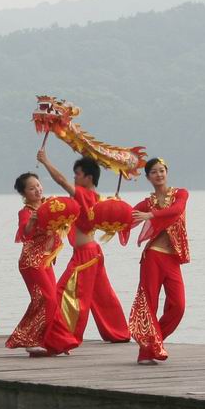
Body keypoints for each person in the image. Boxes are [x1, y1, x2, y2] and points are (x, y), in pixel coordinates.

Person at [37, 149, 129, 353]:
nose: (74, 178)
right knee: (102, 294)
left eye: (77, 174)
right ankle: (119, 332)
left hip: (86, 254)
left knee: (64, 293)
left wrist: (45, 161)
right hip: (92, 252)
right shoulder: (96, 197)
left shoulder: (84, 194)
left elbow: (60, 180)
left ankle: (62, 340)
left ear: (88, 177)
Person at [129, 158, 189, 364]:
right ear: (148, 177)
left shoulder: (180, 194)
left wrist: (150, 215)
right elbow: (126, 218)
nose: (159, 175)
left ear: (167, 172)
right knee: (149, 304)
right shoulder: (147, 203)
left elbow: (176, 211)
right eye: (153, 172)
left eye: (161, 170)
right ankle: (148, 349)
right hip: (153, 256)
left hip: (172, 258)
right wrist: (113, 207)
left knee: (178, 305)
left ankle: (151, 345)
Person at [5, 172, 61, 355]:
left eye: (38, 185)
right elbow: (25, 233)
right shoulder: (26, 212)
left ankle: (49, 341)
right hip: (31, 262)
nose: (37, 190)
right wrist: (33, 220)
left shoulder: (50, 205)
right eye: (31, 188)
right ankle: (31, 340)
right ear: (24, 194)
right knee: (45, 299)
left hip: (46, 261)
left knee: (51, 300)